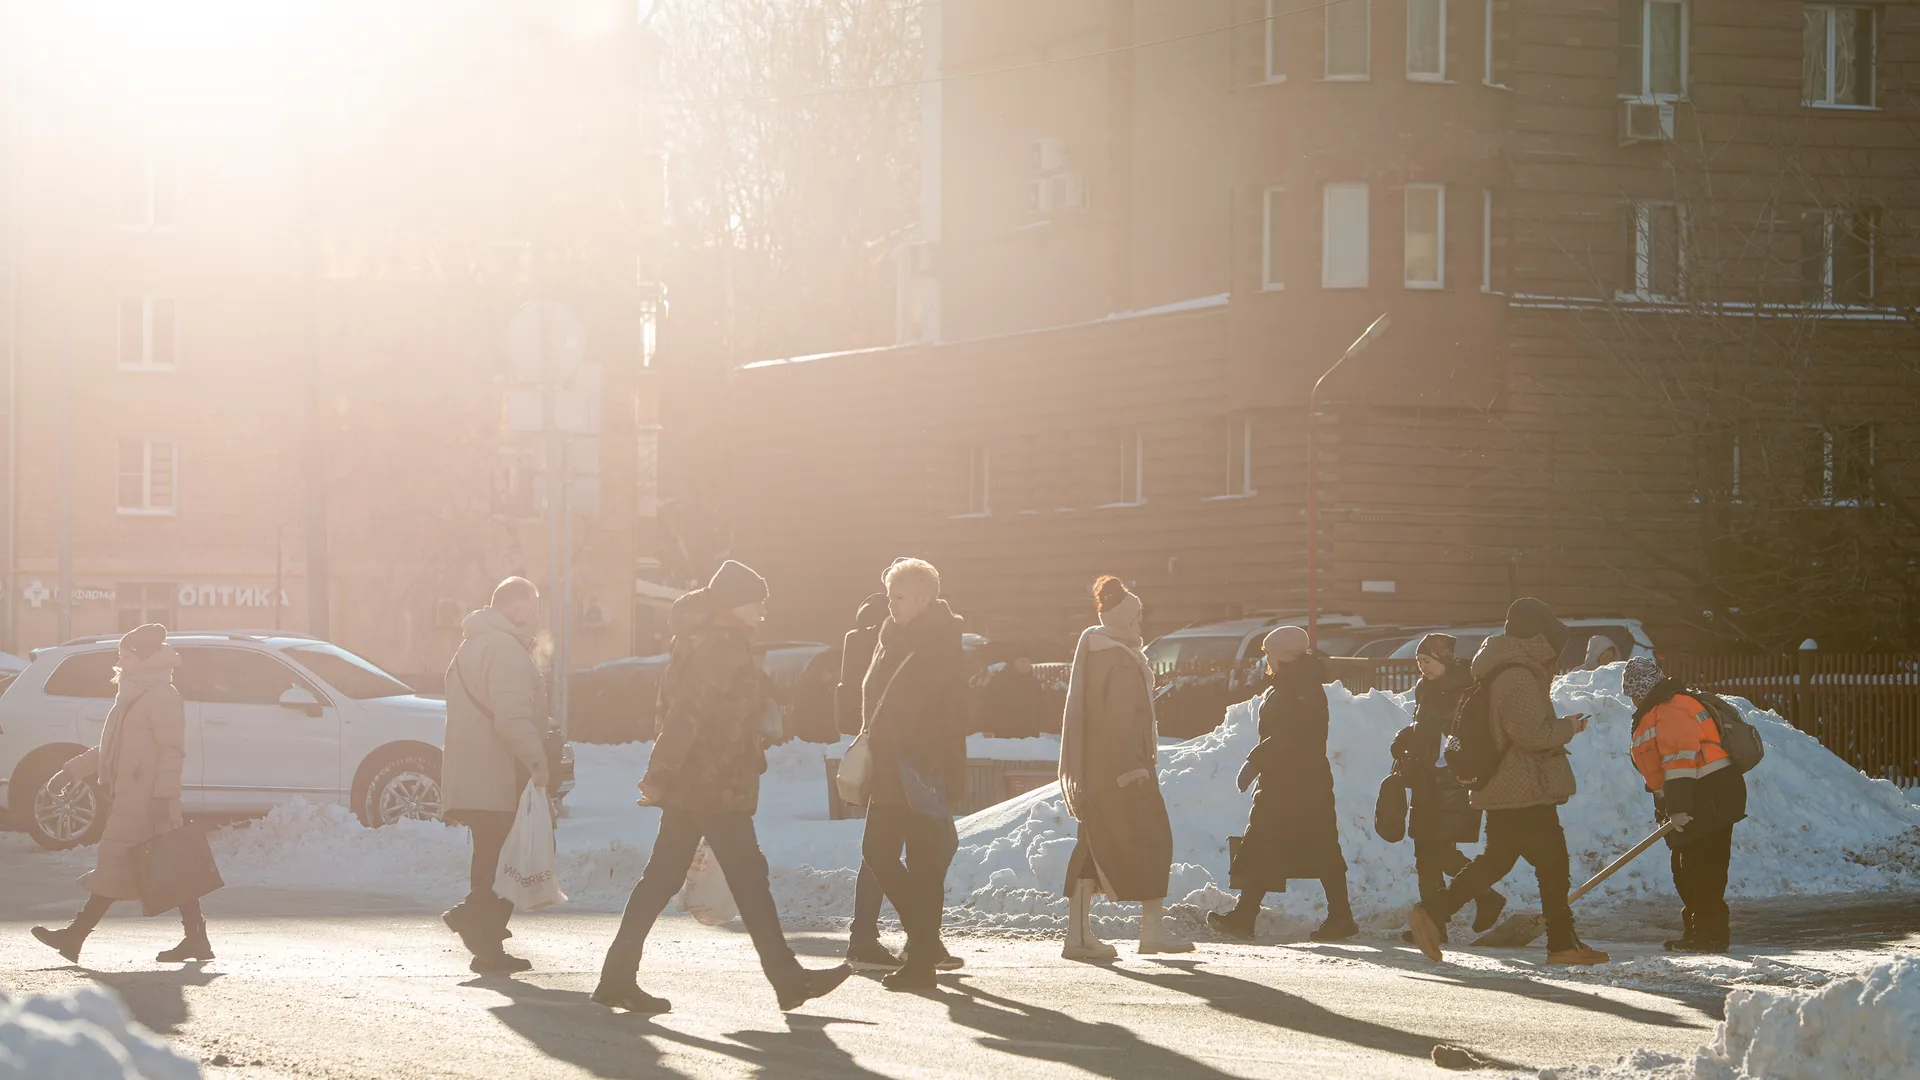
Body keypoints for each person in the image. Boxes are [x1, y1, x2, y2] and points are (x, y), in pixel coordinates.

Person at [594, 560, 853, 1014]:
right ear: (734, 605)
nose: (762, 612)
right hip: (712, 785)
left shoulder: (713, 640)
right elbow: (686, 713)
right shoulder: (719, 645)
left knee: (665, 878)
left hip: (703, 783)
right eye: (756, 603)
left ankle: (616, 977)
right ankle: (788, 979)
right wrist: (660, 772)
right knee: (747, 877)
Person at [1408, 598, 1610, 966]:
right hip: (1522, 786)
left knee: (1498, 860)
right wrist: (1568, 727)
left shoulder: (1503, 667)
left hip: (1507, 786)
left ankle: (1435, 912)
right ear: (1538, 638)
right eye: (1554, 642)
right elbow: (1530, 734)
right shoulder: (1517, 675)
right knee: (1553, 865)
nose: (1556, 652)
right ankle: (1562, 943)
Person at [30, 624, 212, 965]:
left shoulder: (162, 696)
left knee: (136, 862)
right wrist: (71, 771)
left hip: (148, 800)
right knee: (167, 867)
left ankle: (76, 935)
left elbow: (172, 752)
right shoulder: (132, 696)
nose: (120, 662)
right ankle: (196, 939)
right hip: (131, 796)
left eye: (126, 656)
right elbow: (112, 749)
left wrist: (162, 799)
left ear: (144, 659)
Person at [1058, 576, 1193, 960]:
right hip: (1124, 770)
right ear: (1123, 621)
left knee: (1094, 845)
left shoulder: (1098, 654)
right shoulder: (1119, 661)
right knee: (1153, 841)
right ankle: (1148, 931)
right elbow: (1121, 720)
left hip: (1098, 770)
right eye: (1137, 617)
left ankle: (1081, 935)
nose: (1141, 623)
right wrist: (1132, 768)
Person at [859, 557, 968, 991]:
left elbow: (953, 710)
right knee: (878, 852)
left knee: (923, 864)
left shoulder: (939, 642)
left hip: (920, 769)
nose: (891, 604)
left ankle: (921, 961)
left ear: (924, 600)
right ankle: (924, 941)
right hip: (889, 768)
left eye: (899, 597)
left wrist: (919, 752)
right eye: (890, 596)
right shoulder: (892, 636)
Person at [1207, 625, 1357, 943]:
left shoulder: (1303, 688)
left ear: (1283, 656)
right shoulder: (1289, 683)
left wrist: (1255, 761)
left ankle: (1340, 918)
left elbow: (1291, 735)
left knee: (1316, 847)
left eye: (1269, 654)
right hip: (1286, 781)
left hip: (1301, 784)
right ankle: (1245, 916)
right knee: (1265, 844)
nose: (1266, 660)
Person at [440, 576, 552, 974]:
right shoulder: (504, 650)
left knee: (491, 856)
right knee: (508, 858)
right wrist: (538, 762)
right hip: (498, 772)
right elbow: (512, 718)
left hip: (474, 772)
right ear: (516, 609)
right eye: (533, 609)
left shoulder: (470, 647)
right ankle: (471, 917)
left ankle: (486, 950)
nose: (536, 618)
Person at [1622, 656, 1747, 954]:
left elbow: (1680, 760)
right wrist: (1667, 807)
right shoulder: (1656, 710)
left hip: (1710, 794)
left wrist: (1677, 807)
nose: (1632, 700)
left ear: (1643, 689)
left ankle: (1710, 936)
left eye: (1634, 693)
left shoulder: (1672, 708)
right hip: (1695, 794)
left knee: (1702, 868)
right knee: (1686, 868)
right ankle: (1698, 932)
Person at [1388, 633, 1504, 945]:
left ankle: (1480, 898)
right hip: (1426, 777)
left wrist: (1423, 740)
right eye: (1419, 662)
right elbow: (1424, 725)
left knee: (1437, 852)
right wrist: (1406, 736)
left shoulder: (1466, 687)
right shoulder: (1426, 687)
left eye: (1427, 661)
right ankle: (1437, 922)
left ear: (1444, 660)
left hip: (1452, 779)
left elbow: (1461, 732)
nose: (1422, 667)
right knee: (1426, 852)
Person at [839, 590, 900, 971]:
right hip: (900, 757)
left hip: (878, 753)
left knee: (881, 849)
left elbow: (847, 703)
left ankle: (865, 935)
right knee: (907, 849)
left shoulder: (858, 636)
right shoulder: (892, 637)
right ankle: (921, 938)